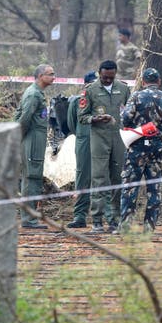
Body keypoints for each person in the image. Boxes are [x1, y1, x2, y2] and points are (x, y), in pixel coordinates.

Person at [118, 68, 162, 233]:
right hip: (156, 147)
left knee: (131, 186)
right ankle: (149, 227)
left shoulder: (136, 96)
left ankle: (126, 226)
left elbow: (125, 119)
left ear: (143, 81)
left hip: (137, 146)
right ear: (159, 81)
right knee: (154, 187)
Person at [78, 60, 130, 233]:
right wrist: (95, 119)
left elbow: (129, 112)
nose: (108, 80)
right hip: (99, 138)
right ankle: (97, 219)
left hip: (119, 138)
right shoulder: (90, 90)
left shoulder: (123, 89)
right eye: (105, 77)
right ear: (100, 73)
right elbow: (82, 116)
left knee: (117, 177)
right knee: (99, 178)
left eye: (111, 77)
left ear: (115, 74)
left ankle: (115, 218)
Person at [15, 64, 55, 229]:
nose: (54, 77)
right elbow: (24, 118)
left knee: (33, 178)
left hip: (36, 140)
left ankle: (29, 218)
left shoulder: (38, 93)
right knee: (31, 179)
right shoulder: (33, 95)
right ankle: (29, 220)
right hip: (31, 140)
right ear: (40, 76)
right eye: (50, 74)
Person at [66, 70, 98, 228]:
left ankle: (104, 215)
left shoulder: (105, 101)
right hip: (84, 143)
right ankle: (80, 215)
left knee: (103, 178)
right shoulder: (77, 101)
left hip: (102, 143)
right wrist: (81, 135)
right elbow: (71, 124)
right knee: (82, 178)